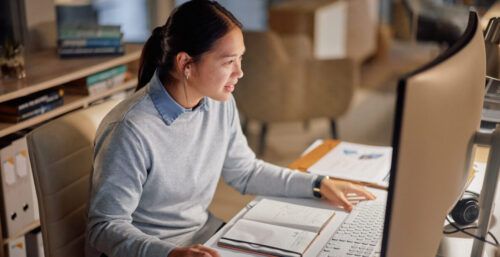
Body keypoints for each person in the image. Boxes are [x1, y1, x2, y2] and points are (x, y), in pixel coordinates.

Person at [85, 1, 375, 257]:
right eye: (228, 62)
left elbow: (245, 172)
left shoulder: (218, 104)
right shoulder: (130, 129)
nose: (240, 72)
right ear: (186, 63)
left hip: (206, 238)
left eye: (240, 59)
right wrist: (171, 253)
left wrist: (316, 184)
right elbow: (104, 228)